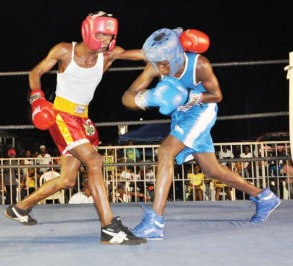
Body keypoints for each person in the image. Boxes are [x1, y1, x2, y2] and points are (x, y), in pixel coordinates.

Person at [120, 27, 281, 240]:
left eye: (165, 64)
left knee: (166, 152)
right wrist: (147, 98)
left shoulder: (199, 65)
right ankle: (264, 197)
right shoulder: (157, 67)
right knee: (212, 170)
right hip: (181, 117)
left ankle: (155, 222)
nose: (161, 69)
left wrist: (189, 97)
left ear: (176, 56)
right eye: (157, 64)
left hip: (201, 112)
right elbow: (127, 97)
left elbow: (216, 95)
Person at [4, 11, 146, 245]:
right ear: (88, 30)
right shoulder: (64, 51)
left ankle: (20, 208)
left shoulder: (108, 55)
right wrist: (37, 99)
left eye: (109, 36)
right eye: (101, 35)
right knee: (95, 161)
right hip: (62, 116)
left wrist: (171, 47)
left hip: (83, 119)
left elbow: (143, 55)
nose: (105, 41)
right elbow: (36, 72)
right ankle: (109, 227)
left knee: (68, 180)